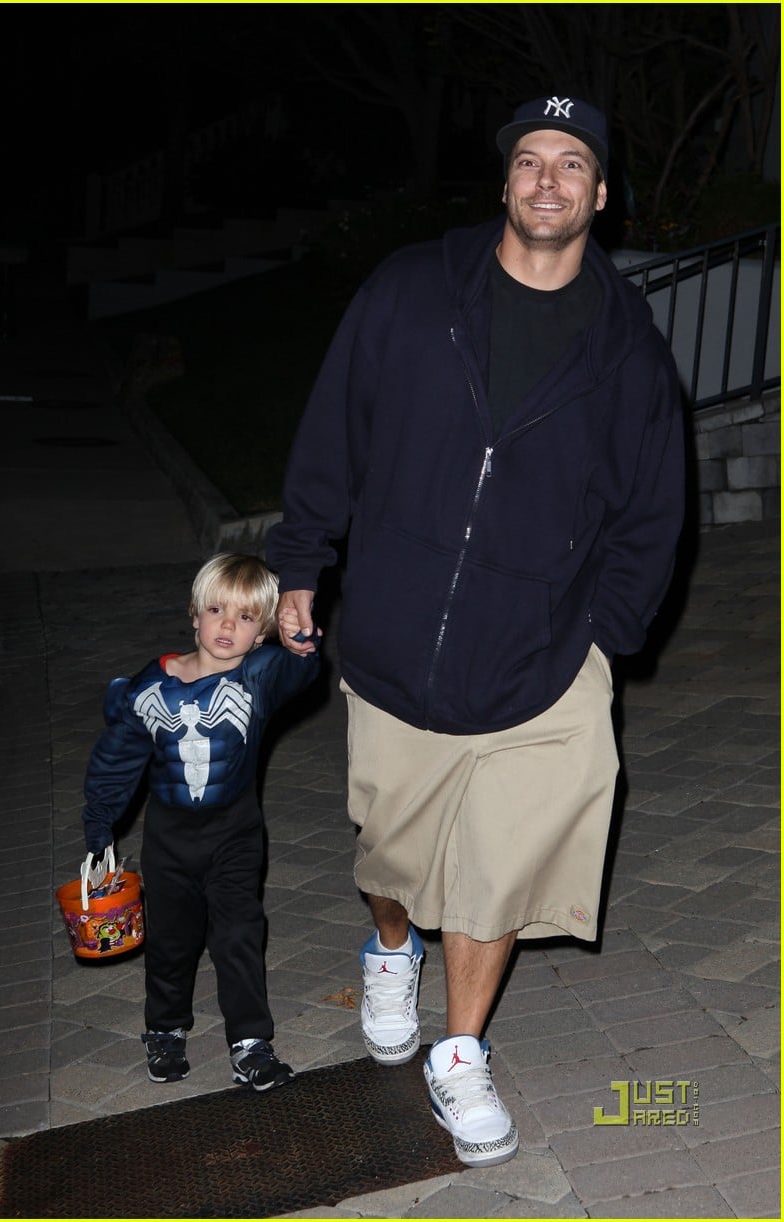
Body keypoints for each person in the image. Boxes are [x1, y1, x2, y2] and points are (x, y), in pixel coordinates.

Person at [266, 94, 684, 1166]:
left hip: (542, 653)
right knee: (392, 850)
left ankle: (460, 1052)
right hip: (400, 634)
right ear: (503, 184)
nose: (548, 179)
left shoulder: (629, 347)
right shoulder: (411, 293)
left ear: (601, 195)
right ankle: (391, 944)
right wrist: (304, 563)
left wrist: (608, 637)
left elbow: (651, 509)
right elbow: (334, 429)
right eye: (529, 160)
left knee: (498, 863)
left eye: (573, 163)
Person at [81, 553, 319, 1089]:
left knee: (239, 933)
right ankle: (165, 1029)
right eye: (216, 610)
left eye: (245, 617)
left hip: (235, 833)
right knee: (171, 938)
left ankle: (250, 1042)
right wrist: (100, 828)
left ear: (261, 635)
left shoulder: (260, 678)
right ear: (194, 615)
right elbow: (116, 759)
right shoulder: (149, 688)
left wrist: (301, 639)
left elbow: (300, 668)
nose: (228, 625)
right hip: (168, 838)